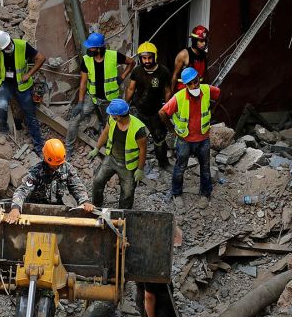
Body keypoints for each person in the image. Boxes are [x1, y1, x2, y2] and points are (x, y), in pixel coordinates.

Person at [158, 67, 220, 206]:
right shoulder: (179, 97)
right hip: (184, 139)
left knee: (205, 168)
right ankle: (176, 193)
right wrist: (172, 129)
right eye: (190, 83)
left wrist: (212, 111)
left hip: (203, 138)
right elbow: (162, 113)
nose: (194, 85)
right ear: (185, 85)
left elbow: (219, 94)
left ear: (199, 78)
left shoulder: (207, 90)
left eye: (195, 81)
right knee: (180, 168)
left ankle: (205, 193)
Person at [0, 30, 46, 156]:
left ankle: (39, 146)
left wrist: (29, 74)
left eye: (9, 44)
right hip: (6, 83)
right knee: (1, 105)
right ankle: (3, 130)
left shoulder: (22, 45)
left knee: (30, 114)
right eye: (5, 47)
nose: (8, 47)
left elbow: (41, 58)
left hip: (22, 84)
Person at [67, 32, 135, 147]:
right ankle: (69, 147)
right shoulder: (86, 60)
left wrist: (122, 77)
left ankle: (110, 147)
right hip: (92, 98)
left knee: (111, 124)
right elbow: (83, 82)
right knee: (75, 119)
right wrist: (80, 102)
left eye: (91, 47)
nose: (88, 49)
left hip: (110, 100)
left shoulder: (113, 55)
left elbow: (132, 62)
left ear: (98, 49)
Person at [3, 139, 94, 224]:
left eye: (59, 164)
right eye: (54, 165)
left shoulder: (67, 168)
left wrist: (84, 201)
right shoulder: (37, 171)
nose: (57, 167)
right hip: (36, 208)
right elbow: (22, 190)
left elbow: (77, 187)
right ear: (46, 159)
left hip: (56, 208)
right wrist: (16, 207)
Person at [89, 99, 147, 210]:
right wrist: (96, 148)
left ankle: (123, 213)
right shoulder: (112, 120)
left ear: (119, 116)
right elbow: (105, 133)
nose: (110, 115)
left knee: (128, 193)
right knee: (97, 181)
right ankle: (96, 206)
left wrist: (140, 169)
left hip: (127, 165)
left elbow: (143, 150)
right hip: (111, 159)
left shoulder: (138, 129)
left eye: (113, 114)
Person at [125, 42, 171, 170]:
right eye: (144, 58)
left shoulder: (163, 71)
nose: (147, 61)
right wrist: (125, 104)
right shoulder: (137, 71)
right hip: (138, 110)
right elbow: (131, 88)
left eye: (149, 58)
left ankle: (163, 163)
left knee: (159, 138)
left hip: (155, 111)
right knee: (134, 137)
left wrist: (166, 109)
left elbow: (167, 91)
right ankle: (133, 165)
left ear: (155, 56)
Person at [171, 24, 209, 90]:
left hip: (198, 92)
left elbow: (205, 76)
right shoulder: (183, 54)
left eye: (205, 41)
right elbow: (175, 75)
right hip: (183, 92)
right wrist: (171, 96)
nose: (204, 44)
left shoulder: (205, 55)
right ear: (194, 41)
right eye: (201, 41)